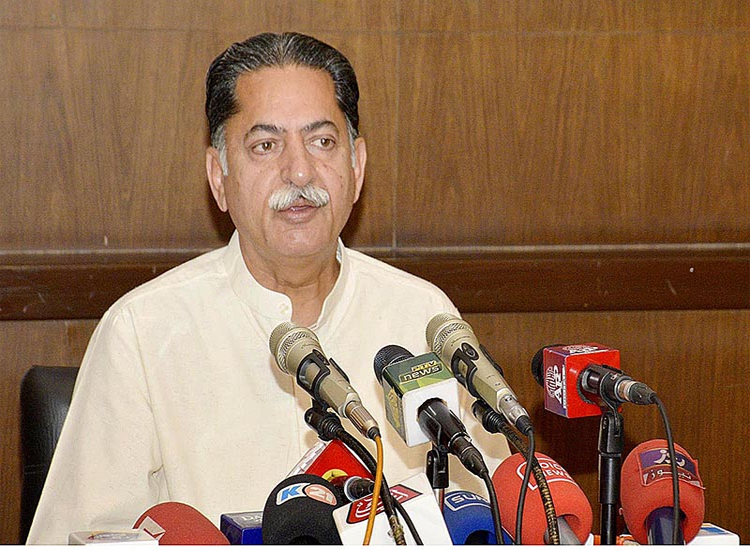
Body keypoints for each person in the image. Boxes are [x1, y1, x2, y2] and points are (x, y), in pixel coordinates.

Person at [26, 32, 509, 544]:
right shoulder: (142, 332)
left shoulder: (423, 316)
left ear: (356, 165)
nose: (299, 171)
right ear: (219, 176)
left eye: (322, 142)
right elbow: (78, 536)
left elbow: (496, 509)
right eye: (265, 145)